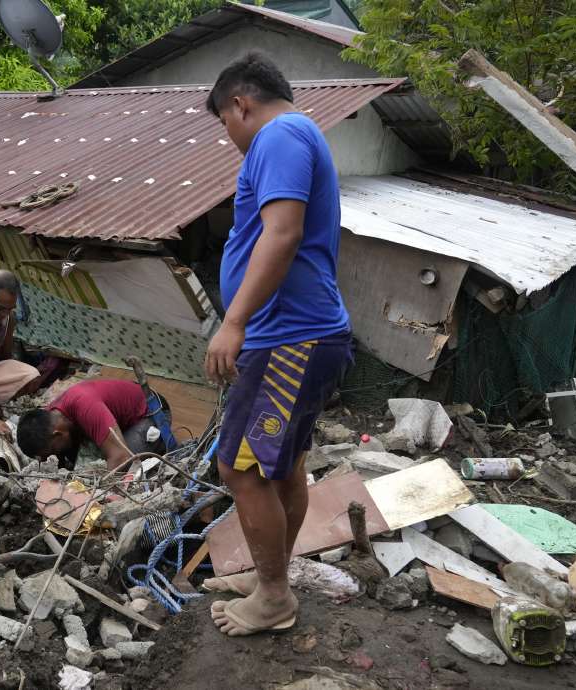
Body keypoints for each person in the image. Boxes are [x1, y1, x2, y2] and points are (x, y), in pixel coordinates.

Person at [199, 53, 354, 637]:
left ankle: (273, 598)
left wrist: (234, 322)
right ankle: (273, 578)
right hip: (303, 335)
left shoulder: (280, 134)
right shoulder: (300, 133)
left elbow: (282, 232)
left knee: (240, 470)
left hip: (285, 337)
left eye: (225, 123)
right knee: (281, 466)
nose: (230, 137)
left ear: (240, 103)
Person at [16, 379, 164, 471]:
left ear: (58, 433)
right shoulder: (50, 417)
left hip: (150, 413)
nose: (53, 456)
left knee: (127, 466)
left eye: (53, 449)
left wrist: (97, 496)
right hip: (114, 420)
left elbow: (120, 456)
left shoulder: (85, 407)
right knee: (78, 464)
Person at [0, 269, 42, 437]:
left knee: (32, 376)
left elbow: (5, 357)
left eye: (9, 309)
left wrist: (11, 385)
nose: (3, 314)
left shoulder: (8, 318)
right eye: (1, 308)